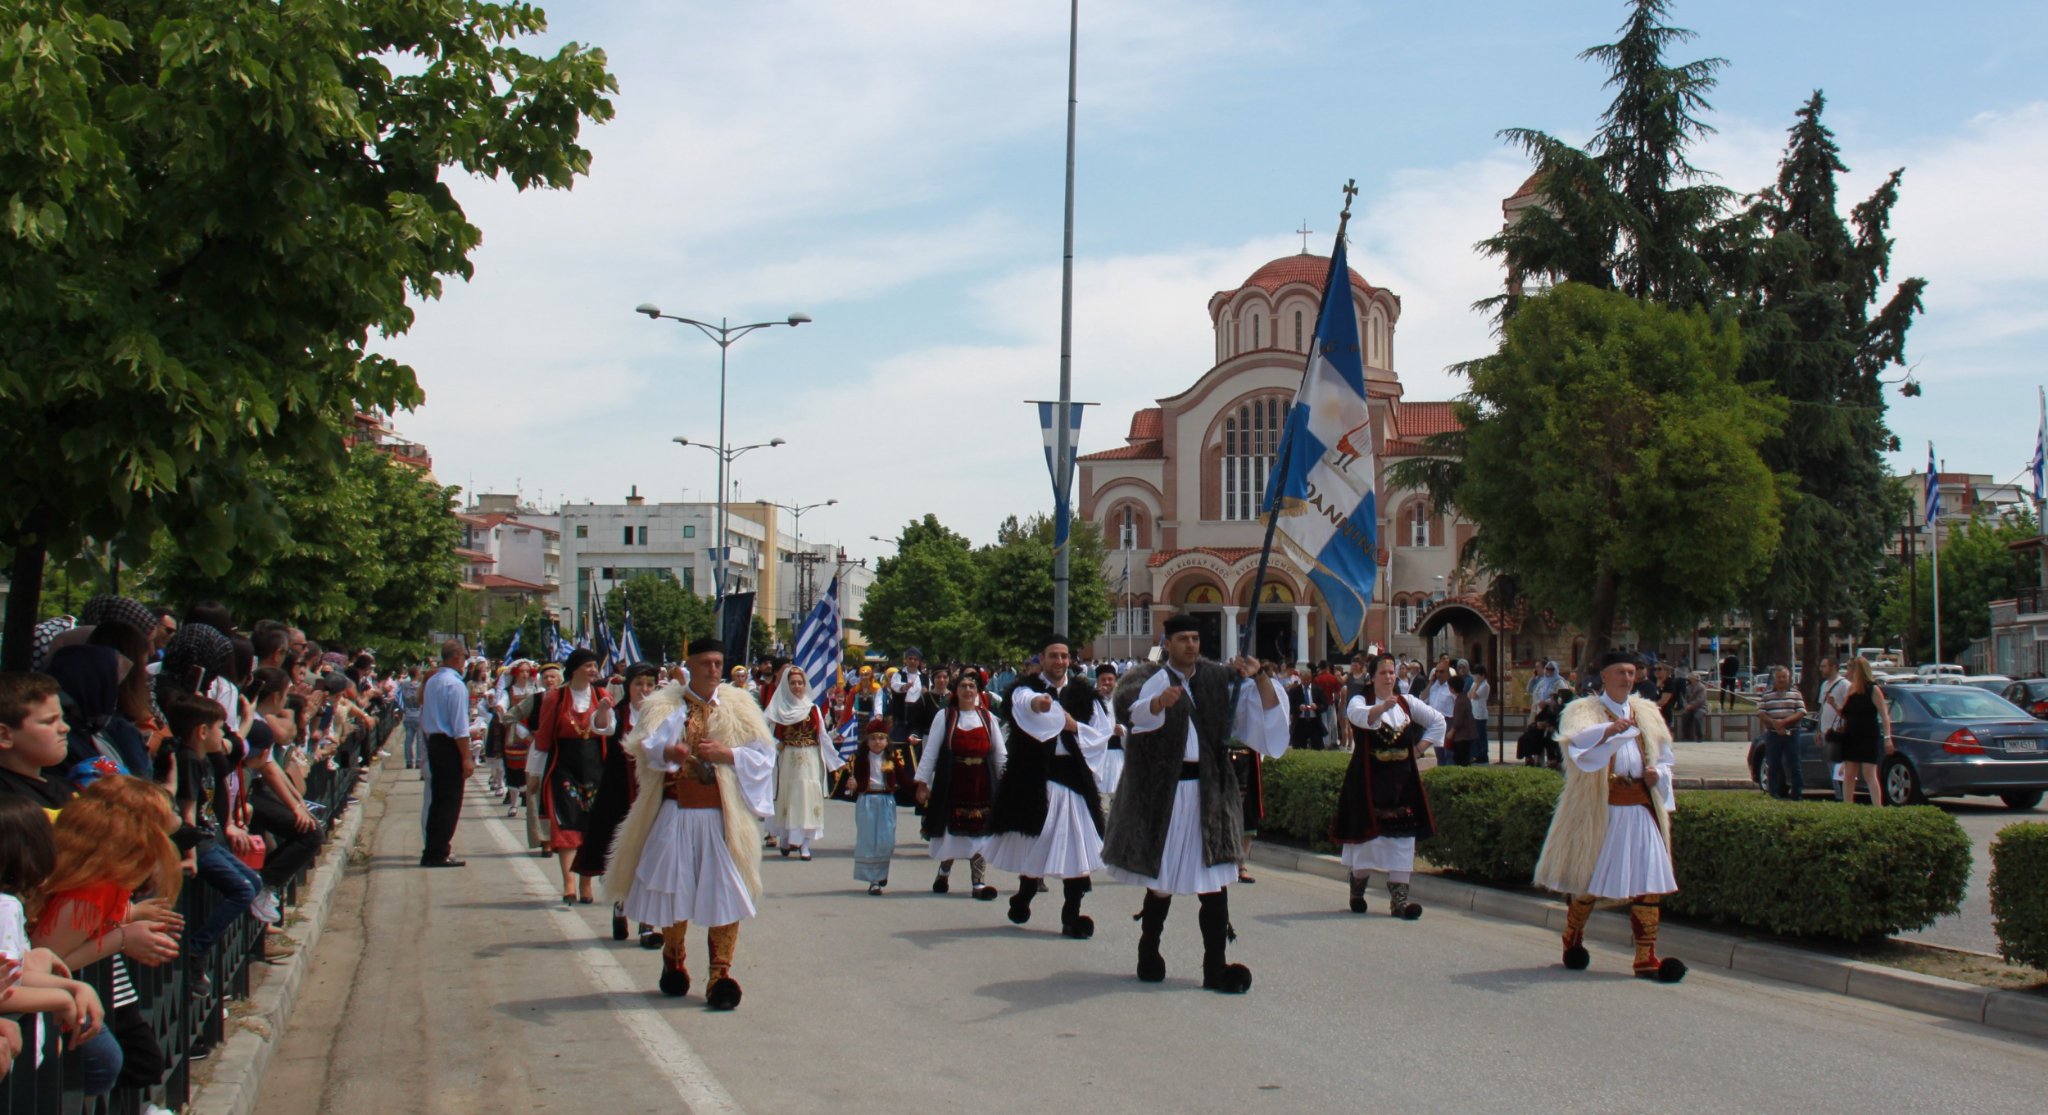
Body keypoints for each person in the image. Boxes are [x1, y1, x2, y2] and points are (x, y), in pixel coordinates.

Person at [1104, 613, 1287, 993]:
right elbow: (1134, 717)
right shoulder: (1146, 679)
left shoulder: (1217, 679)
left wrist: (1259, 676)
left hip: (1209, 794)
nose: (1191, 644)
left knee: (1215, 883)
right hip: (1164, 797)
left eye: (1195, 638)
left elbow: (1264, 711)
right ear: (1167, 642)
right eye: (1183, 638)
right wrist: (1157, 704)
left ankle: (1215, 968)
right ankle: (1148, 950)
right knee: (1161, 882)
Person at [606, 637, 774, 1009]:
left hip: (721, 816)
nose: (713, 670)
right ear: (689, 666)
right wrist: (668, 751)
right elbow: (642, 746)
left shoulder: (740, 706)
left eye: (718, 663)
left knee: (728, 894)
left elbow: (764, 756)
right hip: (676, 811)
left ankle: (720, 975)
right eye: (705, 664)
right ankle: (674, 959)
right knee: (674, 890)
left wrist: (728, 753)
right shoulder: (665, 705)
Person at [1533, 651, 1685, 983]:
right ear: (1604, 676)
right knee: (1590, 879)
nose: (1627, 679)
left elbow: (1666, 756)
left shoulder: (1647, 712)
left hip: (1641, 806)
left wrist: (1656, 774)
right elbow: (1576, 748)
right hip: (1604, 808)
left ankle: (1645, 955)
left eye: (1631, 672)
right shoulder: (1583, 711)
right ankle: (1573, 936)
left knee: (1650, 882)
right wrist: (1607, 731)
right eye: (1620, 672)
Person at [987, 633, 1107, 939]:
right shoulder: (1026, 690)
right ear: (1042, 658)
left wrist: (1072, 726)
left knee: (1075, 850)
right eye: (1054, 656)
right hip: (1036, 777)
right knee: (1038, 843)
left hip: (1073, 780)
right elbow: (1024, 704)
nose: (1060, 661)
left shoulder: (1082, 694)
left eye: (1065, 656)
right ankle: (1024, 895)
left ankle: (1071, 916)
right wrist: (1042, 704)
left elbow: (1100, 735)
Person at [0, 795, 115, 1096]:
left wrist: (66, 985)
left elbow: (13, 972)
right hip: (19, 1060)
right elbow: (7, 989)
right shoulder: (6, 906)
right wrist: (60, 996)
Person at [1334, 654, 1446, 919]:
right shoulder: (1361, 701)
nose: (1388, 677)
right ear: (1372, 677)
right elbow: (1358, 717)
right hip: (1369, 781)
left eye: (1391, 672)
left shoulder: (1407, 703)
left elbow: (1438, 721)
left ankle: (1399, 902)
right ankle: (1358, 888)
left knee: (1403, 840)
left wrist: (1419, 749)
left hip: (1402, 783)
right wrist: (1381, 708)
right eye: (1383, 673)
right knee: (1367, 841)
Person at [574, 664, 663, 942]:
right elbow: (602, 727)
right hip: (620, 794)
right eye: (639, 684)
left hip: (651, 794)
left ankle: (647, 922)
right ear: (628, 686)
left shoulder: (663, 715)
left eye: (649, 684)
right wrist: (601, 710)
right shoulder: (619, 713)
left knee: (651, 856)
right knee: (624, 854)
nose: (644, 690)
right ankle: (620, 906)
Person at [531, 649, 617, 904]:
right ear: (575, 668)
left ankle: (585, 882)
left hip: (594, 769)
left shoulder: (602, 695)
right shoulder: (555, 699)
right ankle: (569, 882)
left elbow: (607, 730)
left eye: (595, 666)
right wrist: (534, 774)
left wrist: (602, 709)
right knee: (567, 824)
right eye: (589, 666)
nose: (594, 670)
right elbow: (543, 738)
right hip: (564, 769)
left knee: (591, 827)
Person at [914, 671, 1006, 900]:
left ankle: (979, 883)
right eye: (963, 686)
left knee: (980, 832)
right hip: (952, 781)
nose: (967, 690)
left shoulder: (987, 718)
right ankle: (944, 872)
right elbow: (931, 752)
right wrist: (922, 783)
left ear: (977, 691)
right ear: (956, 691)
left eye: (971, 686)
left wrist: (1005, 783)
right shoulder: (945, 717)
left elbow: (999, 754)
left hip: (981, 783)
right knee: (951, 831)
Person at [763, 664, 844, 861]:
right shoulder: (778, 709)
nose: (797, 686)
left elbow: (822, 736)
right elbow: (762, 732)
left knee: (808, 798)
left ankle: (804, 843)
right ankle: (785, 836)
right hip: (788, 758)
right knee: (788, 796)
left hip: (810, 759)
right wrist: (775, 744)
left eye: (800, 683)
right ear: (786, 685)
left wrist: (837, 762)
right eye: (793, 683)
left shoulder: (813, 709)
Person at [418, 639, 475, 868]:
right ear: (456, 658)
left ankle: (434, 848)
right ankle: (439, 851)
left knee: (439, 800)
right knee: (449, 801)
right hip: (449, 744)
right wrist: (466, 757)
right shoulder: (455, 685)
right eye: (463, 657)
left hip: (435, 742)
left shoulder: (433, 681)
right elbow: (459, 727)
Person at [851, 719, 912, 894]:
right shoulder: (861, 759)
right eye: (873, 739)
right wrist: (852, 785)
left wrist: (919, 789)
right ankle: (874, 880)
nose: (877, 742)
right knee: (870, 840)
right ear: (867, 741)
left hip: (886, 801)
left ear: (887, 741)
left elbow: (903, 779)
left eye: (881, 738)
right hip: (868, 800)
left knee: (886, 840)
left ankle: (881, 872)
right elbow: (852, 781)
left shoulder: (890, 759)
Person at [1836, 658, 1893, 807]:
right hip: (1851, 736)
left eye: (1849, 669)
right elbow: (1845, 714)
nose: (1847, 673)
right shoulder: (1851, 689)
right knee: (1849, 774)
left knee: (1869, 773)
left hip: (1868, 736)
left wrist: (1888, 737)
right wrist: (1834, 705)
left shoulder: (1873, 689)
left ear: (1857, 671)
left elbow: (1884, 715)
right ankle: (1847, 807)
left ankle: (1877, 809)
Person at [1755, 666, 1807, 800]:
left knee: (1794, 764)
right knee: (1773, 764)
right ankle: (1773, 793)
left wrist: (1784, 722)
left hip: (1792, 734)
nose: (1782, 680)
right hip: (1773, 735)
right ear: (1774, 679)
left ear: (1788, 678)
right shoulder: (1767, 695)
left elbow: (1801, 712)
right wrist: (1774, 723)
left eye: (1784, 677)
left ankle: (1797, 794)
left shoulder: (1796, 694)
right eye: (1779, 677)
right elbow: (1761, 713)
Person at [1084, 664, 1126, 818]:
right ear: (1098, 680)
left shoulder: (1122, 700)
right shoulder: (1090, 701)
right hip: (1098, 754)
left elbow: (1132, 723)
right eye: (1104, 679)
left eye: (1110, 679)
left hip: (1118, 753)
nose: (1107, 683)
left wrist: (1122, 729)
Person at [1814, 657, 1848, 799]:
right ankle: (1838, 795)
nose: (1821, 669)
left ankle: (1843, 797)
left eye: (1824, 666)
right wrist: (1817, 730)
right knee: (1831, 766)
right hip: (1825, 732)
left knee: (1838, 768)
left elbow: (1847, 710)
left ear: (1834, 667)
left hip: (1837, 734)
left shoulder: (1844, 685)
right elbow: (1822, 708)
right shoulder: (1824, 685)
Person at [1466, 664, 1492, 764]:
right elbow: (1468, 695)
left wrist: (1476, 684)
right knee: (1475, 736)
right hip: (1473, 713)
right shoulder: (1475, 684)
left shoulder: (1485, 685)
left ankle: (1483, 755)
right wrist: (1475, 684)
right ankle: (1476, 754)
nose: (1475, 677)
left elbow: (1474, 696)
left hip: (1481, 714)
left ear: (1482, 675)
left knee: (1481, 736)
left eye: (1477, 675)